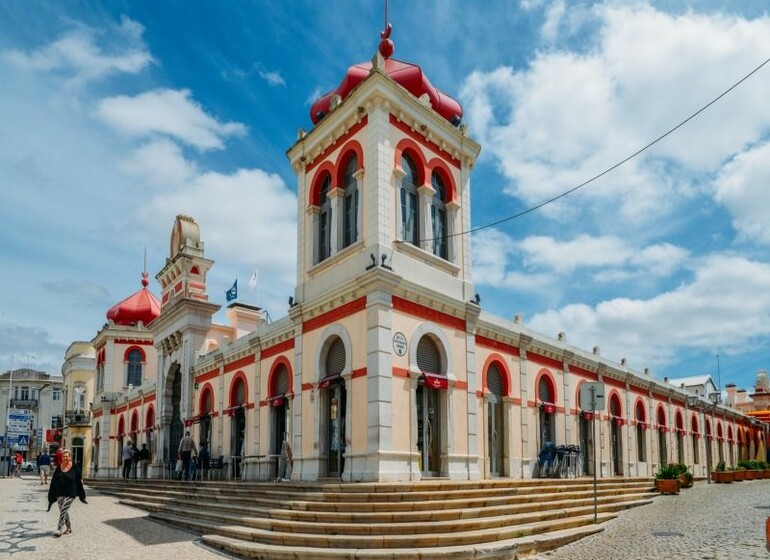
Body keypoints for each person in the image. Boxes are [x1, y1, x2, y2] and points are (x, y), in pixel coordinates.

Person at [47, 449, 87, 537]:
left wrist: (81, 492)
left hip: (71, 493)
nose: (65, 458)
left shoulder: (75, 467)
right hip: (60, 492)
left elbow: (80, 479)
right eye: (63, 456)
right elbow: (54, 480)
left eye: (66, 456)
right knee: (63, 511)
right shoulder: (59, 467)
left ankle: (59, 529)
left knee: (64, 509)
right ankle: (69, 528)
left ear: (70, 457)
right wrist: (52, 492)